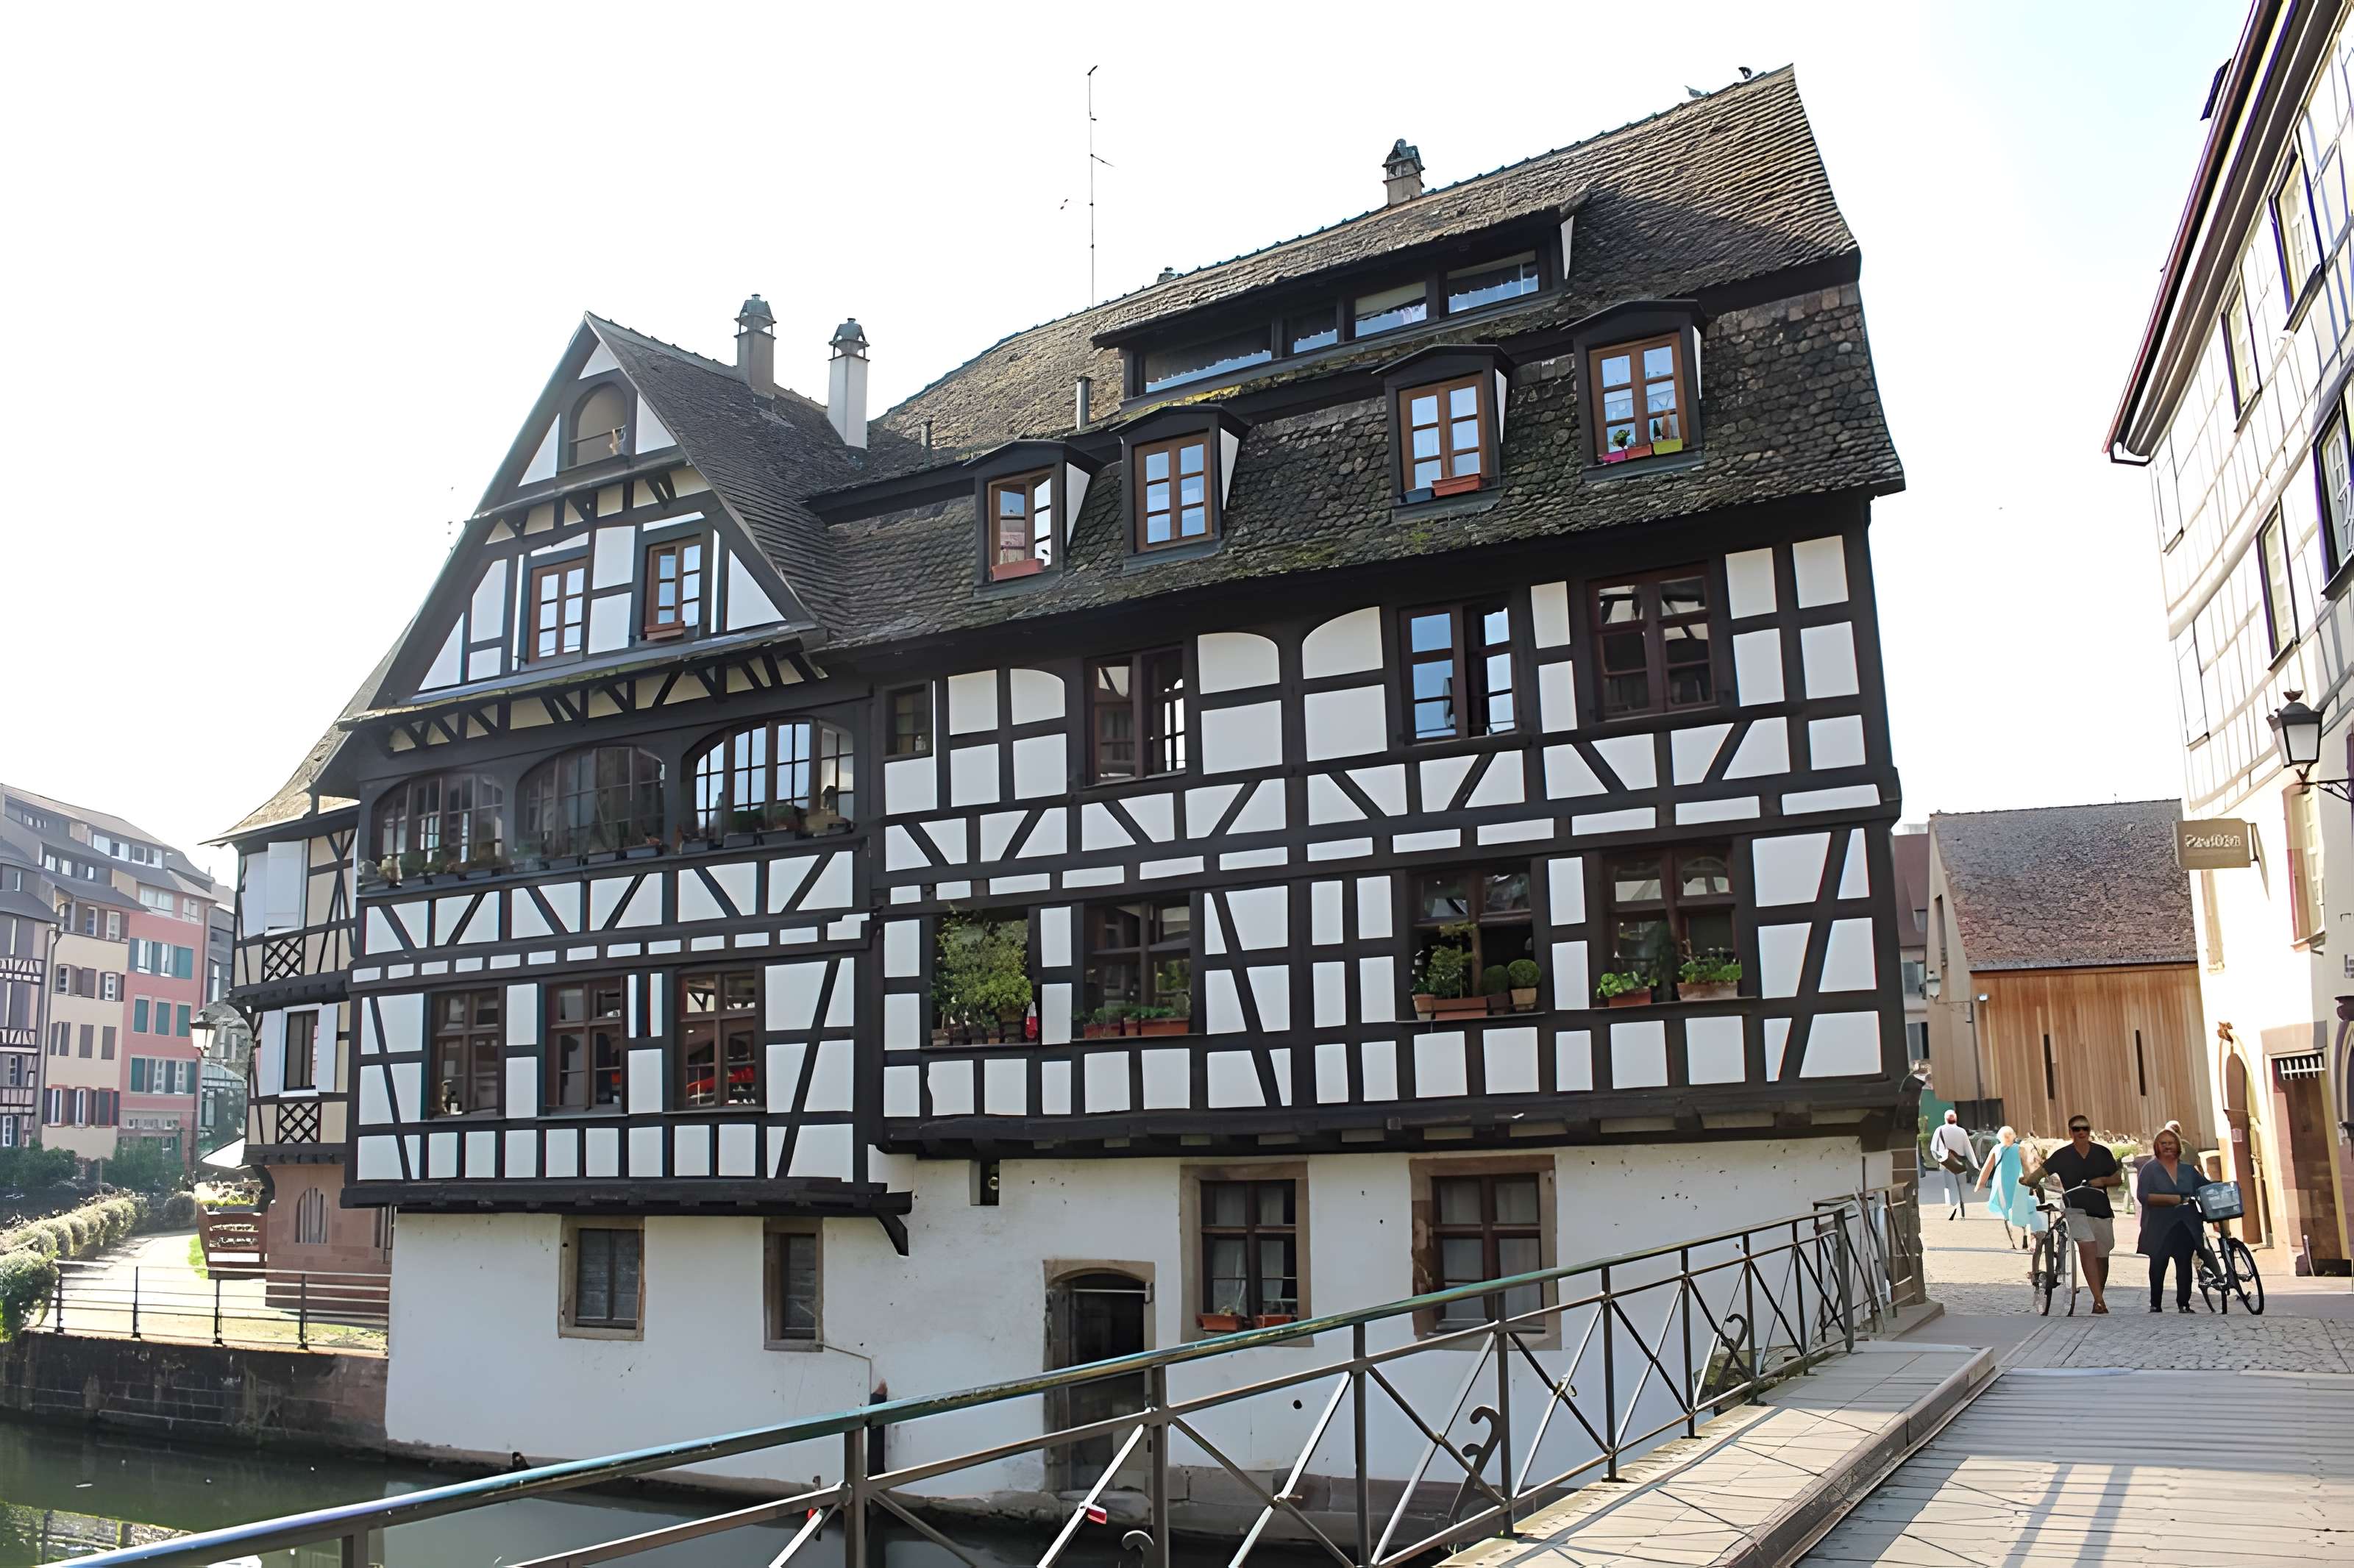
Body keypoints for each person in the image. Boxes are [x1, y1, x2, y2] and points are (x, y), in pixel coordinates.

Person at [2027, 1115, 2123, 1314]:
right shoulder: (2062, 1155)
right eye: (2077, 1129)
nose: (2081, 1132)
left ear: (2089, 1130)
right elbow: (2039, 1174)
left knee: (2102, 1255)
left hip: (2101, 1207)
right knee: (2087, 1247)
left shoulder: (2102, 1153)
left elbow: (2117, 1179)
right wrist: (2030, 1181)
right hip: (2075, 1207)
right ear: (2070, 1132)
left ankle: (2098, 1296)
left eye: (2085, 1128)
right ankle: (2099, 1301)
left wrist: (2102, 1181)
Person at [2137, 1125, 2205, 1313]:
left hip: (2185, 1224)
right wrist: (2174, 1199)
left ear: (2178, 1146)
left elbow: (2204, 1187)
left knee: (2184, 1263)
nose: (2167, 1146)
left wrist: (2223, 1188)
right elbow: (2143, 1196)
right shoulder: (2150, 1169)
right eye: (2163, 1143)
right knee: (2158, 1263)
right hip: (2159, 1225)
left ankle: (2184, 1303)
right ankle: (2155, 1304)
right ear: (2157, 1146)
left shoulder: (2188, 1170)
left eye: (2171, 1143)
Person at [1974, 1126, 2043, 1248]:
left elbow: (1987, 1167)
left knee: (2006, 1212)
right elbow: (2028, 1166)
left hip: (2001, 1183)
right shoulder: (2020, 1148)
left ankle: (2014, 1241)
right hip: (2019, 1182)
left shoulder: (1996, 1149)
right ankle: (2024, 1235)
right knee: (2021, 1208)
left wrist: (1980, 1183)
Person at [1927, 1111, 1974, 1219]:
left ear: (1945, 1119)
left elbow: (1934, 1148)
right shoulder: (1962, 1131)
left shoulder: (1939, 1130)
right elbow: (1969, 1149)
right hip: (1961, 1163)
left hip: (1947, 1163)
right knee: (1961, 1186)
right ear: (1956, 1119)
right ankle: (1961, 1208)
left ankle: (1953, 1207)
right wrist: (1974, 1164)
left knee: (1950, 1186)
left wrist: (1940, 1159)